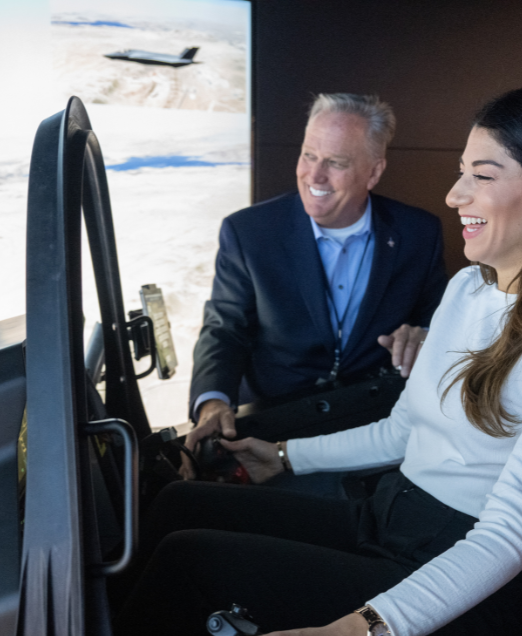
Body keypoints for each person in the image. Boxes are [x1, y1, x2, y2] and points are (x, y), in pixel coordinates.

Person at [114, 79, 522, 636]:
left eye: (480, 175)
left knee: (186, 565)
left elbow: (511, 535)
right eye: (459, 174)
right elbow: (402, 430)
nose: (454, 196)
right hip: (392, 519)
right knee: (176, 503)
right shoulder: (469, 290)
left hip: (465, 574)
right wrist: (283, 456)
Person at [183, 93, 448, 484]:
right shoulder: (249, 232)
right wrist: (212, 402)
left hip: (369, 435)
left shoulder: (419, 233)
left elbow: (438, 321)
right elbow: (225, 329)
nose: (314, 175)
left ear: (374, 172)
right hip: (271, 426)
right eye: (309, 155)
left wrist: (425, 335)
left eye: (336, 163)